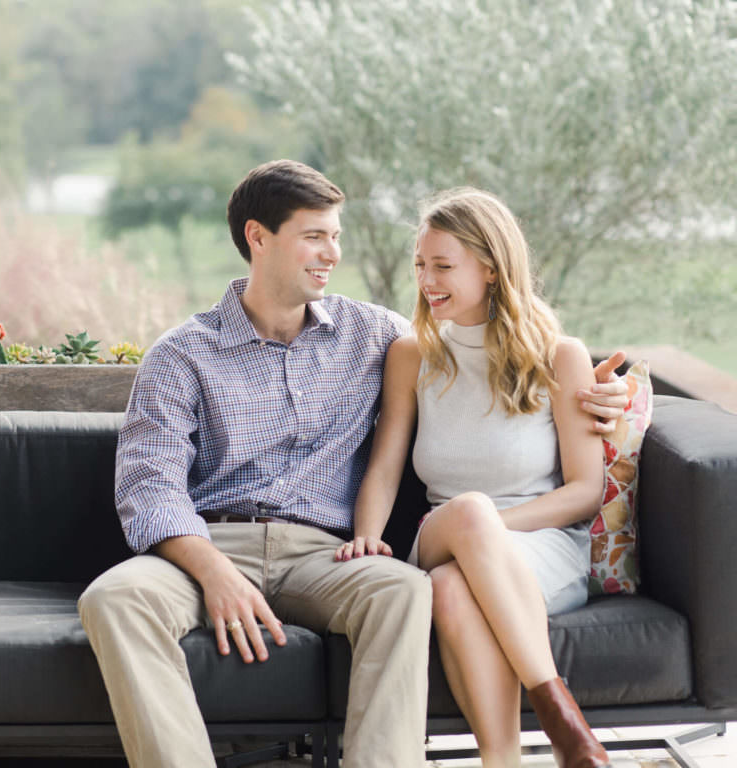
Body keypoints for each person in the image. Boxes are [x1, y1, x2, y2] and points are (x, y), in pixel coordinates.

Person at [79, 161, 626, 768]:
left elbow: (484, 338)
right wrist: (212, 570)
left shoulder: (373, 335)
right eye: (316, 236)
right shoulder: (182, 354)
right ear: (259, 238)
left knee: (403, 591)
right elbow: (148, 485)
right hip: (209, 543)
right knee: (112, 598)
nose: (332, 253)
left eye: (336, 236)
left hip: (321, 553)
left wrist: (602, 395)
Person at [337, 187, 613, 768]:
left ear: (489, 268)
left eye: (443, 266)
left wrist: (487, 529)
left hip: (542, 548)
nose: (426, 279)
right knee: (464, 515)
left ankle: (501, 762)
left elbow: (585, 491)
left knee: (452, 588)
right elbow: (384, 465)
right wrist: (366, 534)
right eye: (420, 265)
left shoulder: (559, 355)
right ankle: (564, 722)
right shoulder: (413, 354)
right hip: (441, 533)